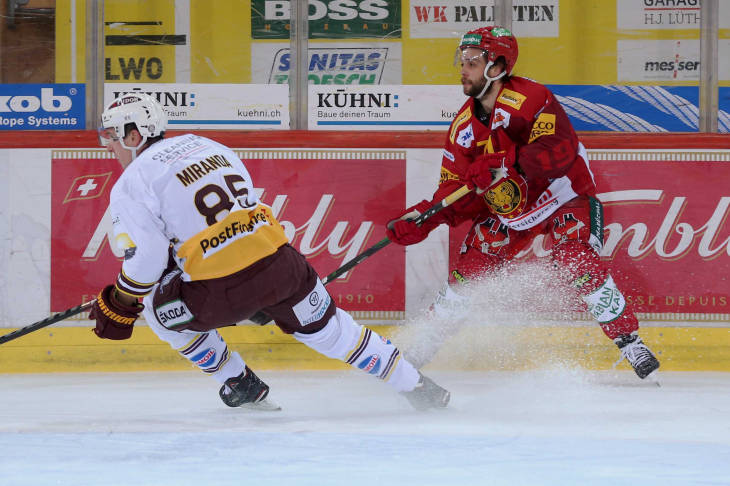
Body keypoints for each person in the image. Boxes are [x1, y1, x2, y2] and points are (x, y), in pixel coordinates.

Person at [89, 91, 450, 411]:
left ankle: (238, 382)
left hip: (219, 292)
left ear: (134, 135)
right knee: (335, 332)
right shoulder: (207, 145)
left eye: (112, 136)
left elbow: (147, 262)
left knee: (156, 307)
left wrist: (121, 300)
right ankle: (417, 386)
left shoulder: (131, 182)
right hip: (283, 268)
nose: (108, 145)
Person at [385, 26, 660, 380]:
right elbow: (457, 190)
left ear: (497, 67)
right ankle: (422, 346)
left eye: (472, 62)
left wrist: (503, 162)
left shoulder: (532, 98)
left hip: (562, 195)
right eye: (462, 61)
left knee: (576, 258)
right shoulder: (462, 129)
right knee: (471, 273)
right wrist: (426, 217)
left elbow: (558, 150)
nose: (463, 70)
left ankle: (629, 341)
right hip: (509, 211)